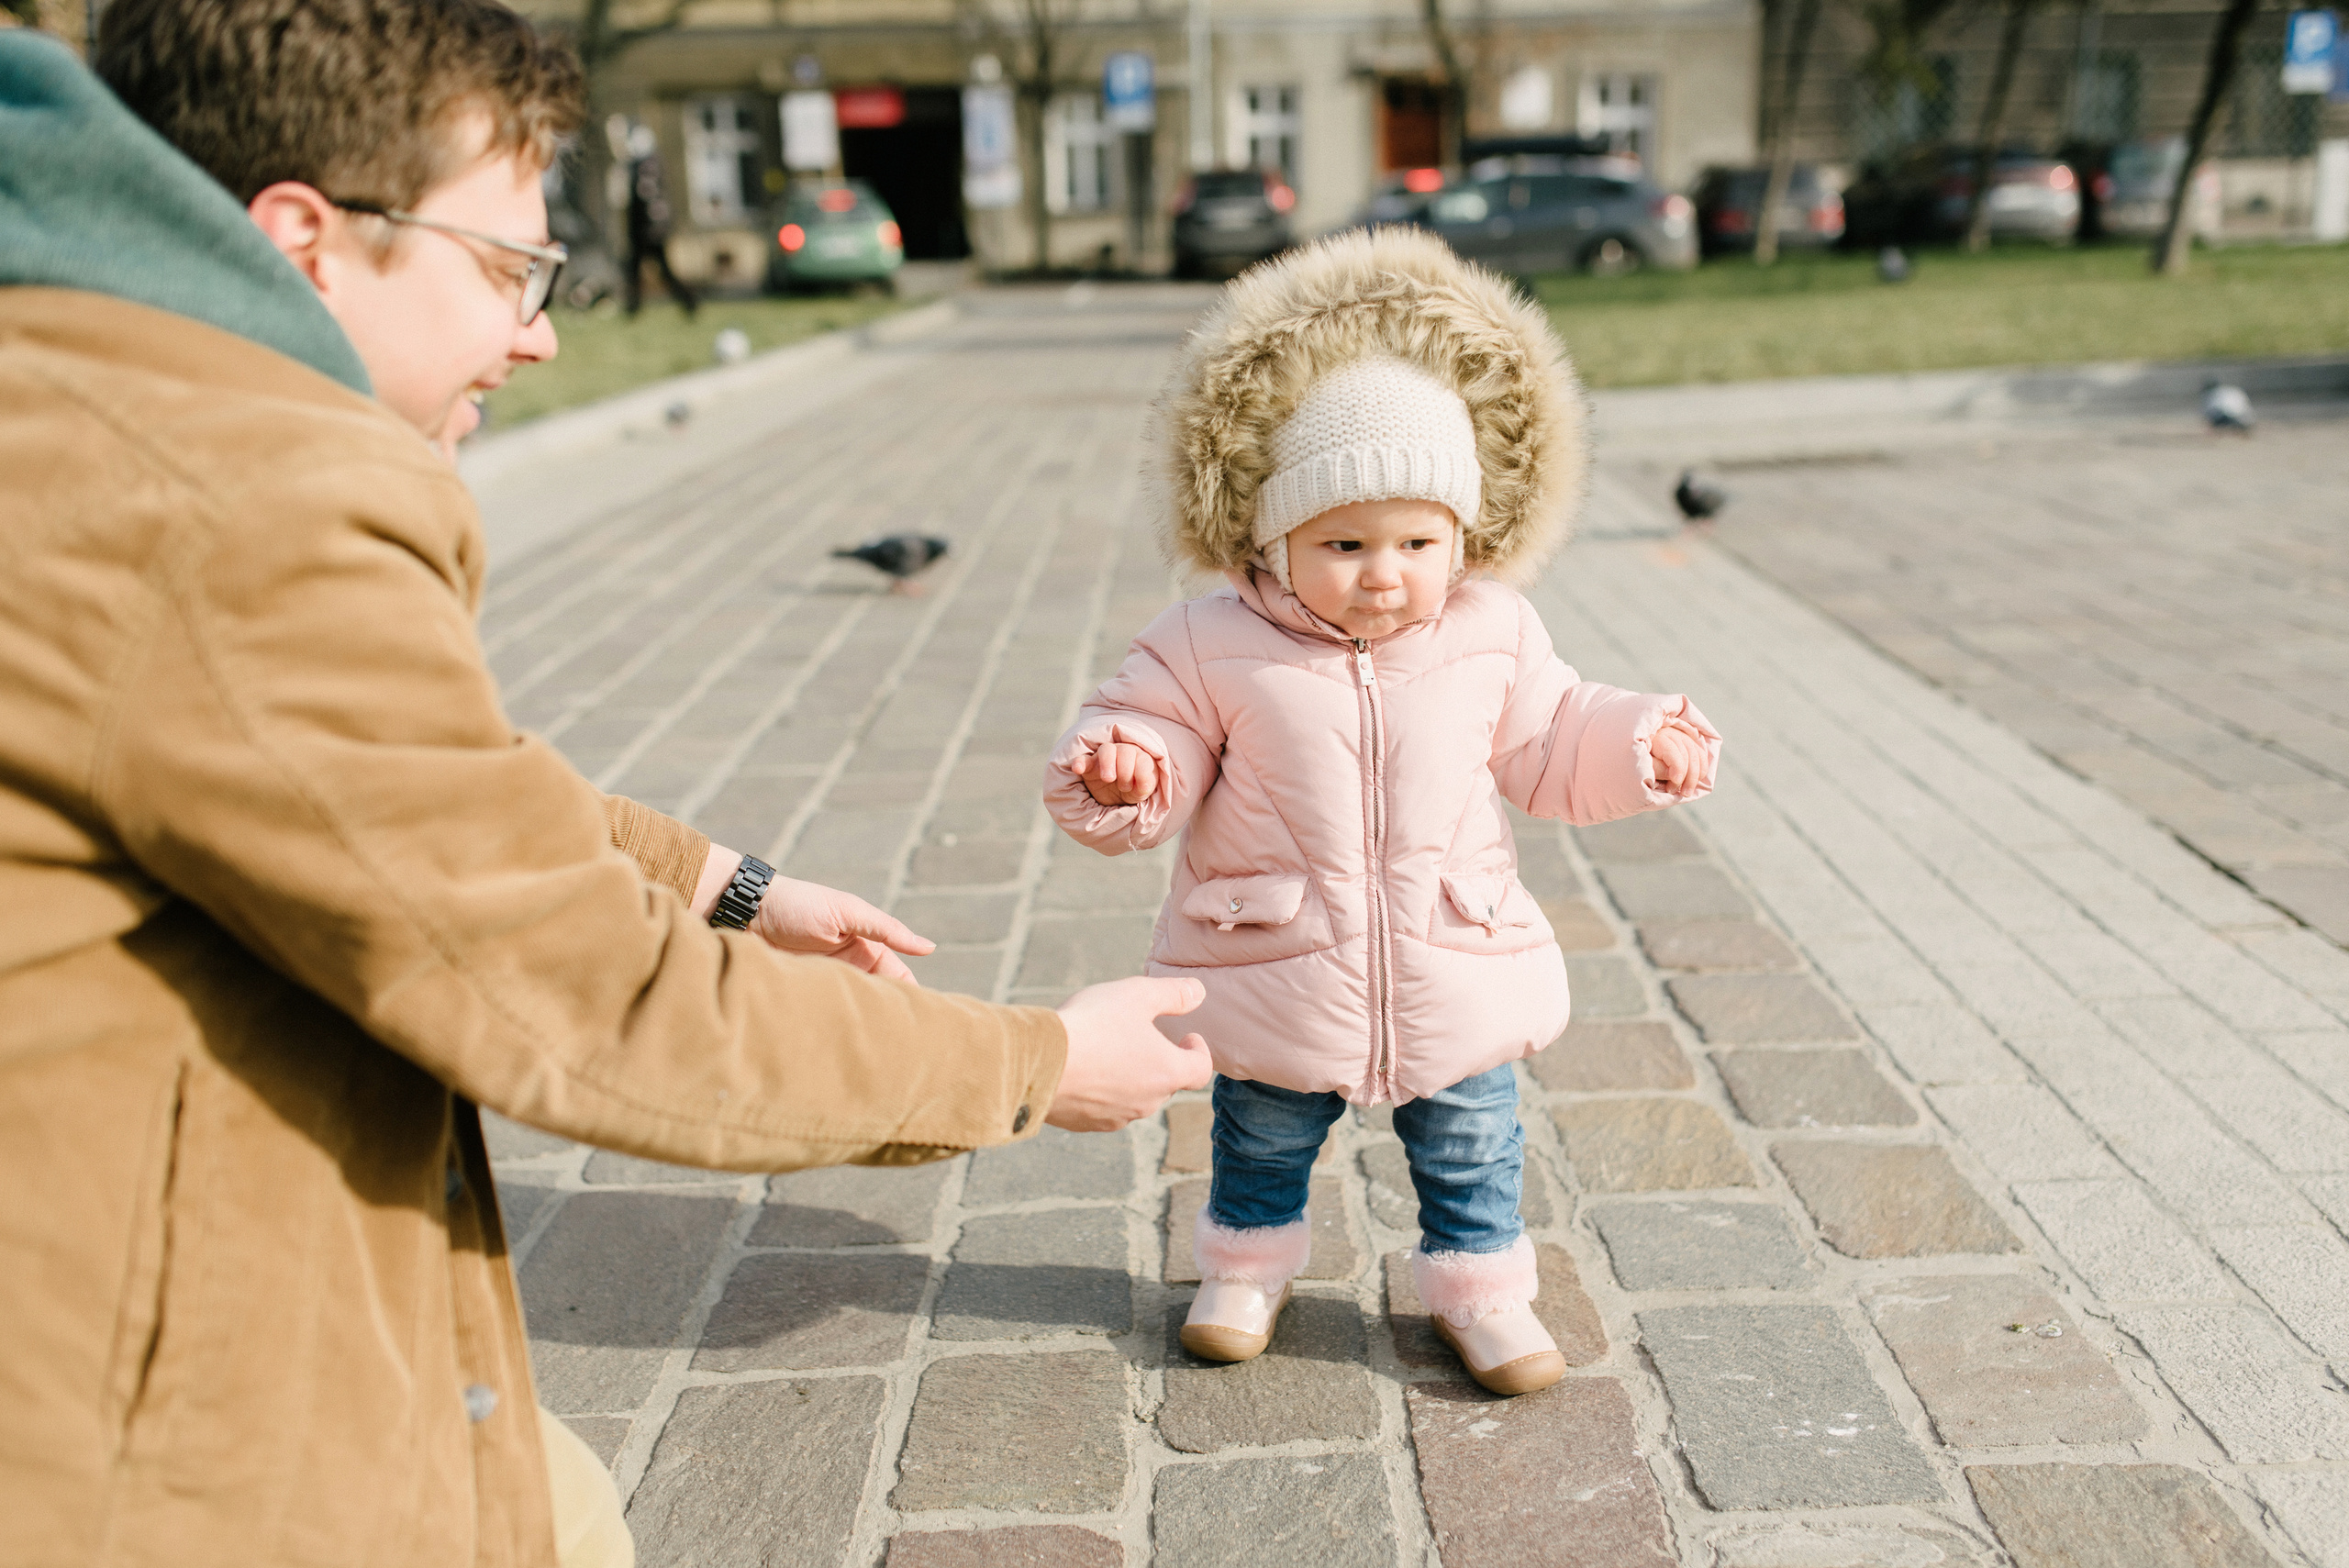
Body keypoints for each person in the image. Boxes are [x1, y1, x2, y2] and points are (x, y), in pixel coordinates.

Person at [0, 5, 1208, 1564]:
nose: (541, 332)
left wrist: (731, 883)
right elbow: (591, 996)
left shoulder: (90, 383)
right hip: (120, 1429)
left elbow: (412, 792)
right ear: (306, 237)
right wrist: (1032, 1060)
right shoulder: (237, 498)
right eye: (510, 268)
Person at [1043, 228, 1720, 1397]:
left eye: (1416, 542)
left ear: (1459, 537)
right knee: (1257, 1133)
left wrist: (1639, 740)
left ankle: (1483, 1287)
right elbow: (1154, 727)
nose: (1382, 571)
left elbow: (1553, 737)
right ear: (1275, 541)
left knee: (1471, 1141)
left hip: (1447, 951)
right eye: (1343, 543)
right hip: (1272, 953)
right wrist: (1129, 768)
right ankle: (1244, 1270)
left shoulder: (1490, 631)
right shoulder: (1210, 641)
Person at [622, 122, 697, 318]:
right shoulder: (648, 163)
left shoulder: (647, 165)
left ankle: (688, 302)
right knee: (637, 269)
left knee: (655, 270)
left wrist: (647, 229)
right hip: (649, 229)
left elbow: (646, 196)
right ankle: (633, 308)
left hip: (648, 230)